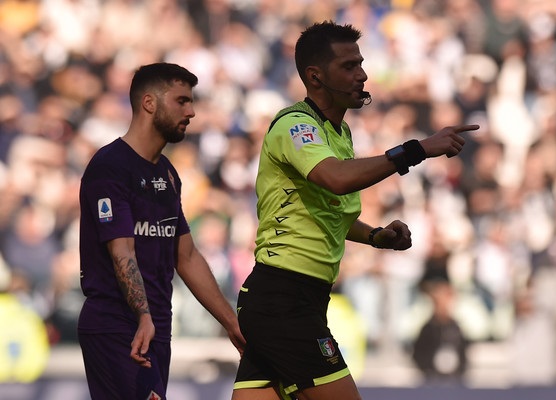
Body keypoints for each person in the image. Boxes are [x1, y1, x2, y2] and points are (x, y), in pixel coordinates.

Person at [231, 21, 479, 400]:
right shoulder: (296, 125)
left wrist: (375, 236)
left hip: (293, 299)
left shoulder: (340, 133)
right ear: (315, 76)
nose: (362, 75)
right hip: (284, 298)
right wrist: (417, 150)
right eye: (348, 66)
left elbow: (333, 211)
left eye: (360, 63)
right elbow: (336, 179)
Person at [77, 62, 245, 400]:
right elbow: (121, 251)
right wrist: (142, 315)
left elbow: (186, 256)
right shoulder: (110, 167)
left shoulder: (167, 174)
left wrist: (231, 323)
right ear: (149, 103)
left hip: (157, 328)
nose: (192, 112)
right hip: (117, 325)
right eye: (182, 101)